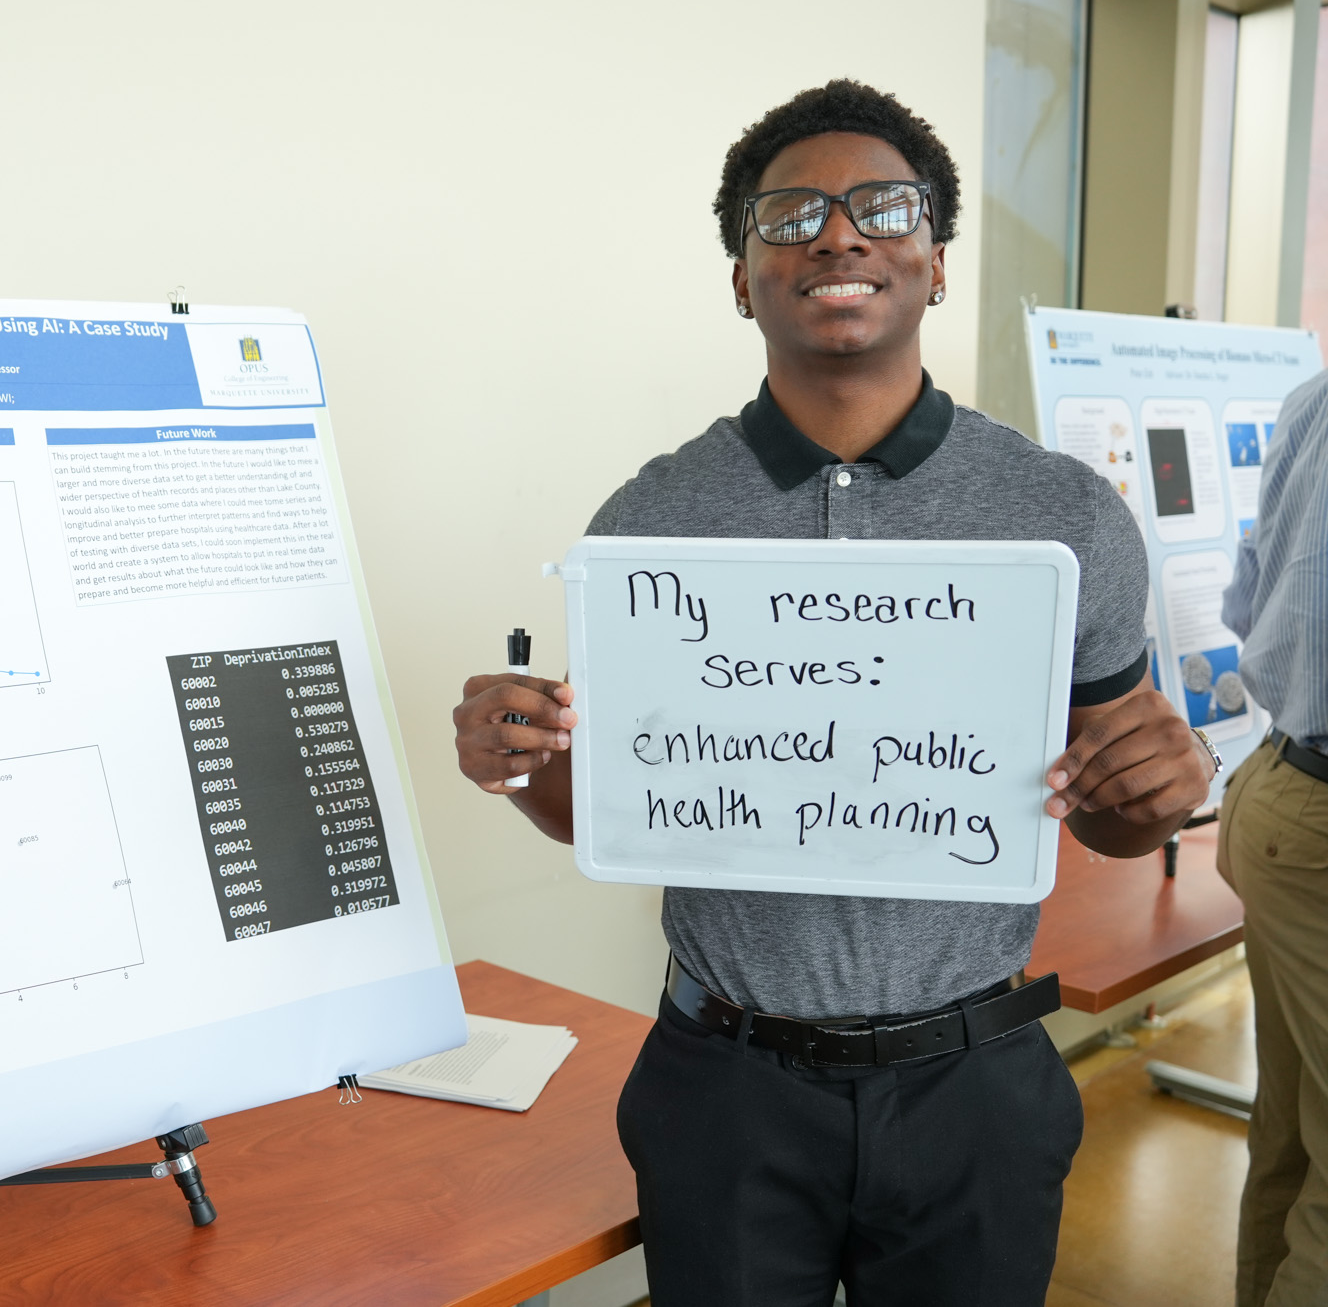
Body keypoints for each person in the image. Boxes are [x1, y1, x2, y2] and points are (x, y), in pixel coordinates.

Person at [451, 81, 1215, 1306]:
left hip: (976, 1079)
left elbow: (1113, 816)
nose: (838, 234)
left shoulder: (1062, 515)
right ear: (742, 276)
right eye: (790, 214)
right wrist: (526, 760)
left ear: (935, 260)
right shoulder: (649, 520)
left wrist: (1159, 792)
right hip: (725, 1086)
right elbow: (612, 804)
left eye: (882, 207)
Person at [1219, 371, 1328, 1306]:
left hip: (1285, 789)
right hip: (1315, 819)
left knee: (1294, 1127)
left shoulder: (1315, 396)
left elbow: (1247, 605)